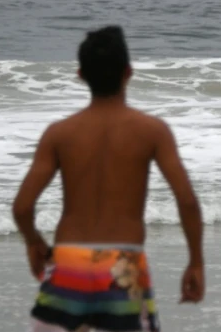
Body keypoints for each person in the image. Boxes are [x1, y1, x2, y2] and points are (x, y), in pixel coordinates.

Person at [12, 25, 205, 332]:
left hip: (68, 264)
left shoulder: (59, 133)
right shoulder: (152, 131)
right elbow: (187, 201)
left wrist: (33, 241)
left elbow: (22, 207)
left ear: (80, 74)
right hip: (122, 266)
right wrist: (195, 261)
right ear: (128, 72)